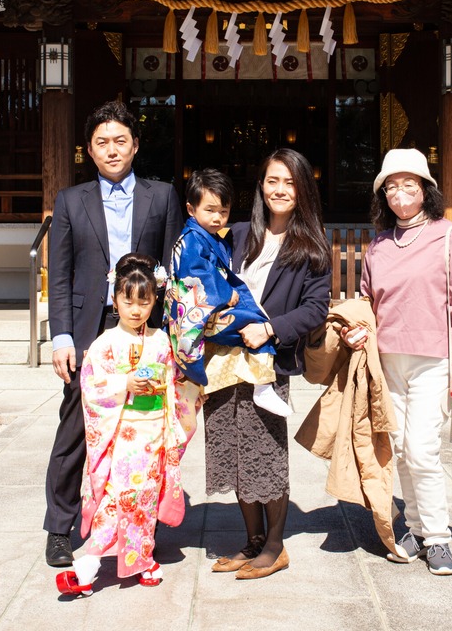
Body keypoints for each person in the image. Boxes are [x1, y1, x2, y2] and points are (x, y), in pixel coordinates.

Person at [43, 100, 184, 569]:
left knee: (145, 427)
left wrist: (170, 336)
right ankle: (60, 528)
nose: (111, 149)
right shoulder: (70, 200)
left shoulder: (161, 196)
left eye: (120, 140)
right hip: (90, 329)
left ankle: (141, 524)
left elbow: (173, 266)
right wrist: (60, 336)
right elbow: (59, 274)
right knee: (75, 429)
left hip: (145, 327)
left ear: (135, 145)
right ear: (89, 150)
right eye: (102, 142)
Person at [346, 147, 452, 576]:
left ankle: (438, 537)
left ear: (426, 190)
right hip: (387, 362)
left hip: (433, 360)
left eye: (409, 184)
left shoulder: (449, 236)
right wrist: (357, 330)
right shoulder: (379, 245)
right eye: (391, 186)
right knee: (400, 450)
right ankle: (418, 528)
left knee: (423, 450)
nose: (399, 193)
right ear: (382, 195)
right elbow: (369, 302)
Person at [203, 148, 331, 580]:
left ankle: (275, 546)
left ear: (302, 189)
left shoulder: (312, 245)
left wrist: (272, 328)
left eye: (289, 182)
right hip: (224, 361)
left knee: (265, 454)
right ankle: (252, 540)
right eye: (272, 180)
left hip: (267, 364)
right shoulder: (237, 234)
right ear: (261, 185)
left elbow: (316, 308)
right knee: (234, 452)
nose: (280, 189)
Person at [55, 253, 202, 596]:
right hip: (122, 433)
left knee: (146, 498)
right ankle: (90, 563)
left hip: (155, 432)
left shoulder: (161, 340)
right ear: (115, 299)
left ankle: (142, 558)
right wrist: (125, 385)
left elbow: (174, 379)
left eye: (144, 301)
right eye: (128, 300)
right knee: (118, 496)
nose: (136, 309)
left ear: (155, 300)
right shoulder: (104, 344)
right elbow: (91, 387)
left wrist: (190, 390)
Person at [166, 168, 292, 417]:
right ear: (191, 209)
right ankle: (263, 386)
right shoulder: (192, 239)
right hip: (198, 313)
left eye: (223, 212)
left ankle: (259, 385)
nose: (217, 218)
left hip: (208, 310)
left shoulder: (209, 236)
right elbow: (197, 275)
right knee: (255, 323)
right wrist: (225, 293)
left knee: (255, 322)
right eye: (210, 210)